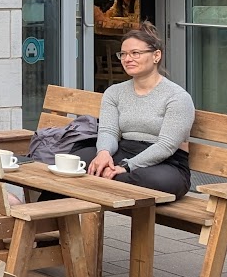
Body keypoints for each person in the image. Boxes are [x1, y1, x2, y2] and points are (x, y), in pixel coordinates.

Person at [72, 23, 194, 200]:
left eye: (135, 53)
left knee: (149, 180)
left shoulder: (177, 97)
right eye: (123, 54)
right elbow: (109, 131)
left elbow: (166, 146)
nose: (127, 59)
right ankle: (42, 218)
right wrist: (104, 153)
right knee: (76, 161)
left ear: (156, 56)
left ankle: (109, 181)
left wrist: (127, 166)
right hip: (124, 150)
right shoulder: (114, 92)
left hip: (166, 162)